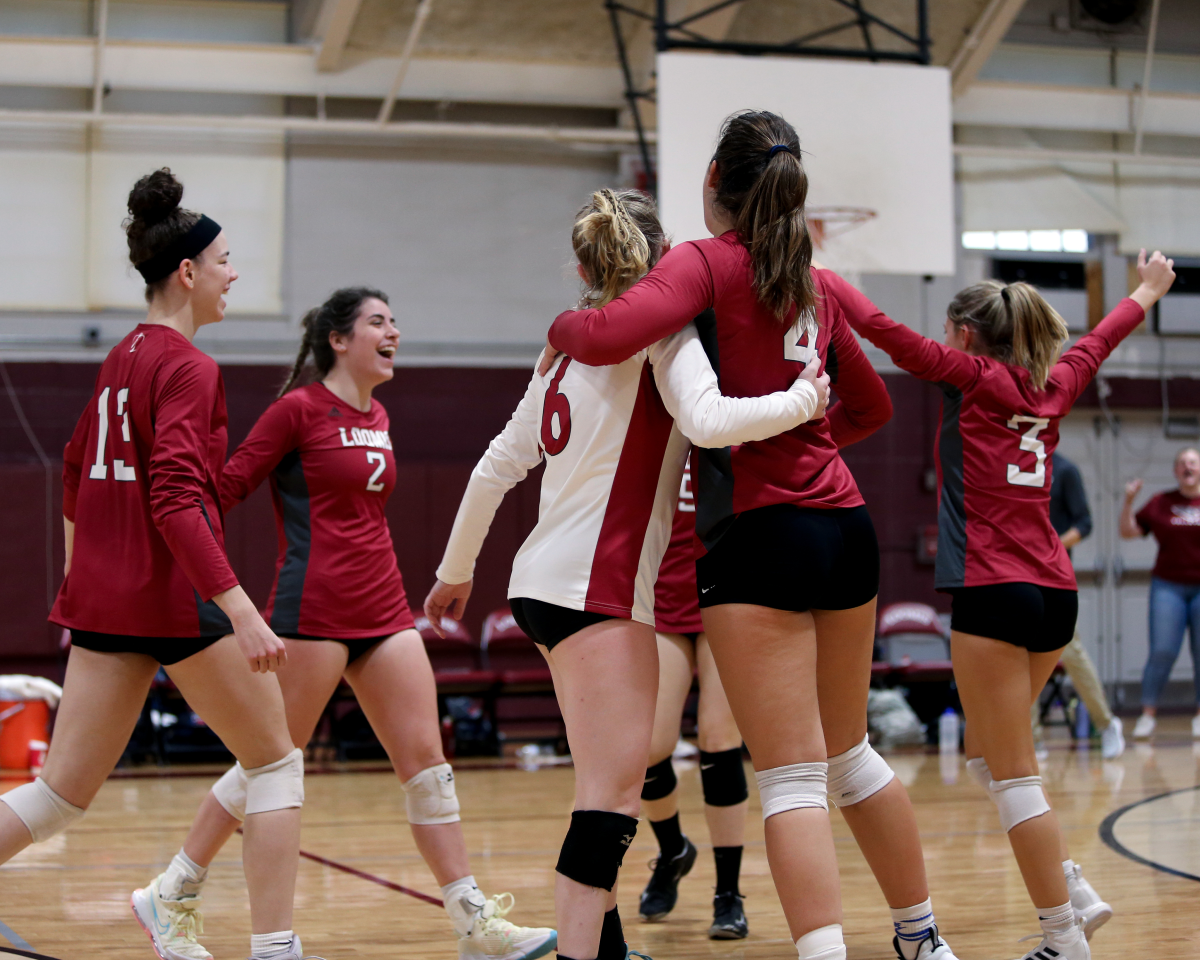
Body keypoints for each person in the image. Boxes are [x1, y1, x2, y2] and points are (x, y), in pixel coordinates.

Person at [543, 112, 961, 960]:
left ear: (710, 180)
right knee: (852, 757)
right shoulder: (823, 283)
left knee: (794, 777)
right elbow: (874, 407)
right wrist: (809, 449)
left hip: (757, 538)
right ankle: (923, 940)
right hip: (844, 528)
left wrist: (559, 327)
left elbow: (608, 330)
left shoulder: (705, 263)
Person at [425, 187, 830, 960]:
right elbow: (710, 422)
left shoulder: (566, 351)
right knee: (609, 804)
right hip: (599, 595)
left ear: (583, 264)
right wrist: (803, 397)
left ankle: (605, 948)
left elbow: (496, 467)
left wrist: (455, 570)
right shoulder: (662, 335)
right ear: (662, 257)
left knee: (600, 786)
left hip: (539, 589)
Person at [132, 287, 557, 960]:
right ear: (339, 339)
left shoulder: (380, 414)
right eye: (378, 322)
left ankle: (474, 923)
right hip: (313, 614)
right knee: (267, 762)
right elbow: (223, 489)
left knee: (428, 766)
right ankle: (174, 887)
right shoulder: (295, 412)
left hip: (385, 610)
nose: (394, 332)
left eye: (395, 321)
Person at [819, 250, 1176, 960]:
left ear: (965, 335)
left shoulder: (971, 376)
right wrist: (1148, 288)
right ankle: (1071, 887)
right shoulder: (1059, 380)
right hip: (1054, 594)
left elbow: (887, 333)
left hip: (993, 590)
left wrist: (821, 276)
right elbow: (1103, 336)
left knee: (1015, 776)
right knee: (990, 753)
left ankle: (1061, 941)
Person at [0, 168, 309, 960]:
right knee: (275, 765)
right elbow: (175, 501)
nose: (232, 274)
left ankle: (176, 913)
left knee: (60, 796)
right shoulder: (188, 366)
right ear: (188, 272)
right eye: (226, 261)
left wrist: (85, 575)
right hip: (173, 597)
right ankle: (274, 951)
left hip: (108, 601)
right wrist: (242, 610)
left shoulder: (119, 359)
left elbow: (73, 472)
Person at [639, 460, 749, 939]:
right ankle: (672, 851)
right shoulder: (654, 427)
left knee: (719, 738)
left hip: (730, 595)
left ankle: (729, 893)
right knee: (649, 748)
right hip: (665, 601)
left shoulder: (740, 422)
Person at [1036, 452, 1124, 759]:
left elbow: (1084, 522)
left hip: (1056, 573)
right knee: (1020, 653)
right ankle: (1030, 738)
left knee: (1071, 651)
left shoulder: (1065, 470)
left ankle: (1106, 723)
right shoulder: (1014, 464)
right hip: (1018, 574)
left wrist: (1052, 546)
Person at [1121, 446, 1200, 740]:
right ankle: (1148, 714)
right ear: (1175, 471)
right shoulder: (1161, 502)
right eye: (1182, 463)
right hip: (1168, 586)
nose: (1187, 467)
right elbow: (1128, 531)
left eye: (1192, 462)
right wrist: (1129, 501)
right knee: (1162, 651)